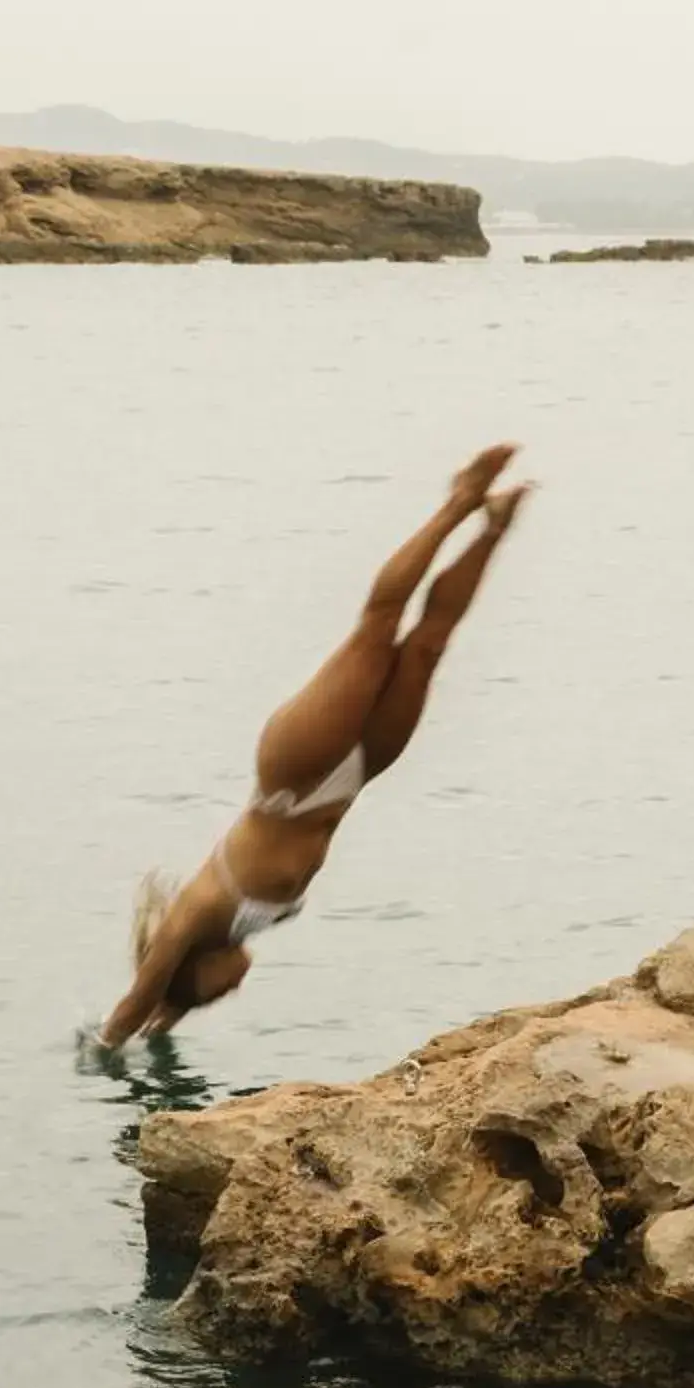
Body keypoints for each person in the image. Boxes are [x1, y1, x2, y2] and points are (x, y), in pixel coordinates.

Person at [94, 444, 528, 1049]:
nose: (233, 992)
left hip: (291, 775)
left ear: (186, 976)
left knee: (377, 630)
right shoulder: (225, 938)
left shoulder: (189, 920)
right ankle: (493, 529)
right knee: (427, 646)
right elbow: (163, 1015)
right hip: (353, 778)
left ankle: (458, 501)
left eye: (214, 994)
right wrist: (164, 1029)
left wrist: (105, 1050)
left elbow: (134, 1009)